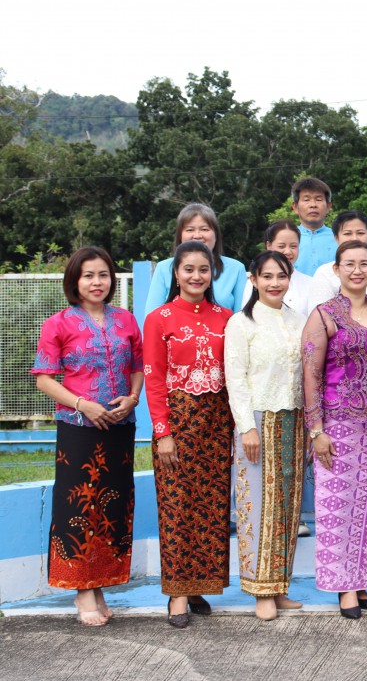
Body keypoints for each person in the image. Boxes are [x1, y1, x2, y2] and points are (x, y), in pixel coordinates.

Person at [32, 247, 143, 627]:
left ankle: (100, 584)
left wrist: (132, 399)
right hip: (78, 428)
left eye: (104, 275)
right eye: (88, 275)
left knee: (112, 507)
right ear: (75, 281)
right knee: (78, 508)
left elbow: (138, 367)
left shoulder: (126, 319)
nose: (97, 282)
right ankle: (82, 591)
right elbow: (45, 378)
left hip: (119, 427)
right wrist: (83, 405)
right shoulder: (58, 324)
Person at [143, 241, 235, 628]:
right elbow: (154, 378)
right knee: (177, 508)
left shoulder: (227, 317)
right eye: (188, 269)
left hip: (216, 424)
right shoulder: (159, 318)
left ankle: (200, 584)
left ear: (213, 273)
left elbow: (233, 379)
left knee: (211, 509)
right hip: (177, 425)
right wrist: (162, 432)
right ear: (175, 274)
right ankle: (177, 593)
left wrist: (231, 430)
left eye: (204, 269)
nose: (196, 276)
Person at [302, 240, 367, 619]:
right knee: (336, 507)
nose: (357, 270)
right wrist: (315, 429)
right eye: (349, 264)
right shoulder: (323, 315)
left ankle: (361, 581)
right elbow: (309, 374)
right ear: (337, 270)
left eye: (364, 264)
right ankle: (343, 587)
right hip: (337, 425)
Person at [224, 251, 308, 621]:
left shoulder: (300, 319)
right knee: (257, 508)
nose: (275, 282)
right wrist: (247, 427)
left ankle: (280, 586)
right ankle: (260, 592)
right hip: (258, 421)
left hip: (293, 421)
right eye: (267, 276)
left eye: (282, 275)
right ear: (254, 280)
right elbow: (235, 379)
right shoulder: (241, 323)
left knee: (288, 507)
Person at [144, 203, 247, 313]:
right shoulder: (164, 268)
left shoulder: (236, 269)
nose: (197, 235)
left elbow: (242, 318)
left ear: (216, 234)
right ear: (180, 235)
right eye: (190, 230)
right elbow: (151, 316)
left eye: (204, 229)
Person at [309, 211, 367, 307]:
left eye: (360, 233)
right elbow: (319, 315)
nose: (354, 238)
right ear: (336, 238)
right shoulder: (325, 272)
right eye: (347, 233)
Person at [240, 221, 314, 315]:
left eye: (293, 246)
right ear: (269, 246)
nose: (288, 251)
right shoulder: (255, 282)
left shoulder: (311, 283)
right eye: (281, 246)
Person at [291, 177, 336, 276]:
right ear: (295, 207)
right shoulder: (287, 239)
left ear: (328, 207)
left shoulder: (339, 238)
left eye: (318, 199)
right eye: (306, 200)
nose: (313, 205)